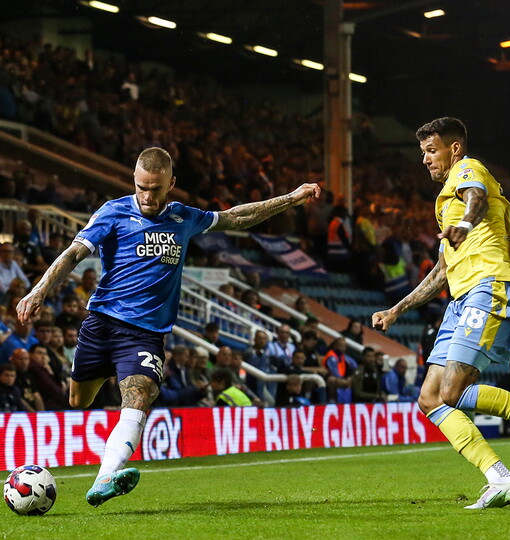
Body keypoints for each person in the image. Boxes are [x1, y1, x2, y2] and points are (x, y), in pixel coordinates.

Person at [16, 147, 319, 508]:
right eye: (142, 187)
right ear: (134, 179)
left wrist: (291, 197)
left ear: (171, 184)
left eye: (156, 189)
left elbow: (237, 218)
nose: (147, 196)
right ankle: (106, 462)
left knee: (138, 395)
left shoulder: (183, 217)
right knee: (78, 400)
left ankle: (104, 479)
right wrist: (39, 290)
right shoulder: (112, 212)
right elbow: (72, 254)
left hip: (145, 334)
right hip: (101, 324)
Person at [370, 118, 510, 509]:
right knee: (430, 399)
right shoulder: (446, 204)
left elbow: (477, 197)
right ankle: (499, 478)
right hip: (461, 299)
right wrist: (397, 309)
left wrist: (467, 223)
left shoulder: (469, 171)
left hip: (490, 288)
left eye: (431, 150)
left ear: (454, 148)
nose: (425, 159)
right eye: (422, 152)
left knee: (452, 391)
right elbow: (441, 271)